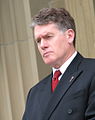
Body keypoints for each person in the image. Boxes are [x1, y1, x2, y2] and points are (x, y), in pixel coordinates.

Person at [22, 8, 95, 120]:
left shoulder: (91, 71)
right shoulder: (34, 93)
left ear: (69, 36)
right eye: (38, 40)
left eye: (48, 37)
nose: (42, 45)